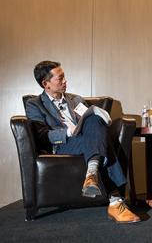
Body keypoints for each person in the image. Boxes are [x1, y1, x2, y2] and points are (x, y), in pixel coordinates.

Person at [25, 61, 140, 224]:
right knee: (103, 142)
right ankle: (115, 201)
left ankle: (92, 174)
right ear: (46, 84)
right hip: (62, 144)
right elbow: (42, 135)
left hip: (87, 140)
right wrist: (70, 131)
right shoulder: (35, 104)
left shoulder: (76, 99)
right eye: (60, 78)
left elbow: (92, 124)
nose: (65, 81)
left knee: (94, 119)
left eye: (64, 77)